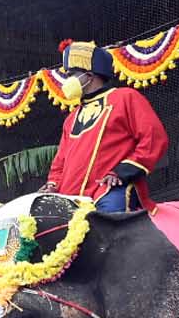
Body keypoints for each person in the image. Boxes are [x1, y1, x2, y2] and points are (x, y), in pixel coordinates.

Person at [39, 40, 168, 212]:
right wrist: (52, 185)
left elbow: (153, 138)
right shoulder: (71, 118)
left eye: (71, 74)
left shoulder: (126, 98)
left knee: (109, 222)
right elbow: (59, 163)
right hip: (71, 199)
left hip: (110, 188)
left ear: (89, 76)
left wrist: (123, 171)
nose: (67, 81)